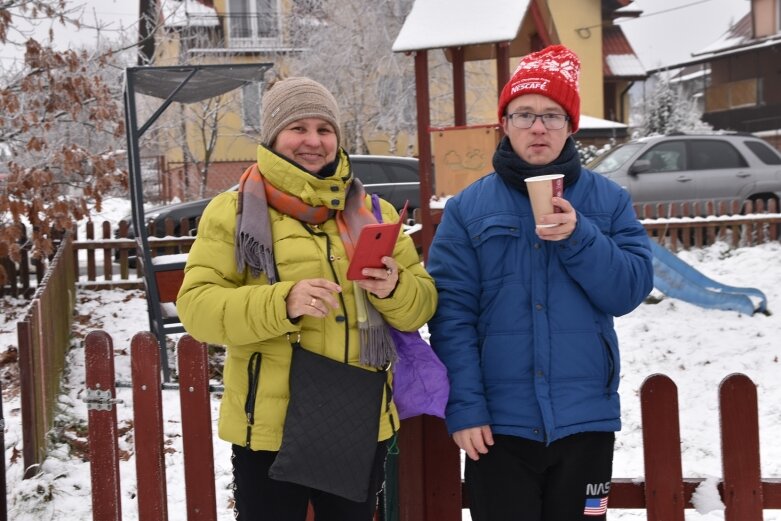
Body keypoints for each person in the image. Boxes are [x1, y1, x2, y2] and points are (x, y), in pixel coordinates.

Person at [176, 76, 436, 520]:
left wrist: (394, 288)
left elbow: (421, 305)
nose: (313, 141)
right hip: (270, 427)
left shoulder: (375, 213)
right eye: (299, 128)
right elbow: (197, 308)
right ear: (274, 136)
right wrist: (282, 303)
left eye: (325, 129)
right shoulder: (235, 211)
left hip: (358, 418)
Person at [426, 45, 654, 521]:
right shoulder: (467, 210)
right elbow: (451, 316)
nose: (538, 127)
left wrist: (581, 238)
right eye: (524, 113)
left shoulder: (608, 202)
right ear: (503, 123)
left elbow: (630, 290)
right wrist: (466, 407)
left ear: (571, 126)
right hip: (498, 430)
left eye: (552, 115)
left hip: (586, 424)